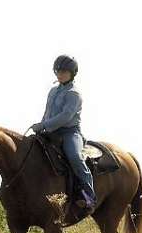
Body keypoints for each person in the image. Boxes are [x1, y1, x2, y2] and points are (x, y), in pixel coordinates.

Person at [30, 55, 96, 211]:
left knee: (74, 157)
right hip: (49, 131)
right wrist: (41, 126)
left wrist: (44, 124)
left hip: (69, 132)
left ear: (72, 73)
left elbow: (65, 117)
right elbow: (47, 113)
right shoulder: (53, 91)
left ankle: (89, 197)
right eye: (58, 71)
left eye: (64, 71)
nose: (60, 74)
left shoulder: (74, 93)